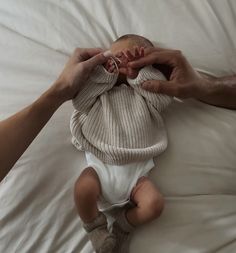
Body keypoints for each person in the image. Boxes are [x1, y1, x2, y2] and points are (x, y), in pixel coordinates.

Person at [71, 34, 169, 253]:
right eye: (114, 59)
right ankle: (96, 228)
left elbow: (163, 99)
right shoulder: (99, 92)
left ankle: (124, 226)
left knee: (155, 205)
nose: (121, 63)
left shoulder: (145, 95)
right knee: (82, 190)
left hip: (137, 175)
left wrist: (139, 76)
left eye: (131, 58)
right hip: (100, 166)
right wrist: (105, 75)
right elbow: (80, 102)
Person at [0, 48, 112, 182]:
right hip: (102, 169)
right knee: (85, 188)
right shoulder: (101, 95)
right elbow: (83, 104)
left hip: (134, 168)